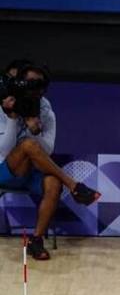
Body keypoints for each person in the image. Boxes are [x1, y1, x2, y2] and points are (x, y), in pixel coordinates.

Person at [0, 60, 100, 261]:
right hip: (4, 169)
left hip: (32, 172)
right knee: (27, 145)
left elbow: (47, 150)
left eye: (37, 83)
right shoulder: (5, 104)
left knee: (53, 183)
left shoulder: (46, 112)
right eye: (28, 81)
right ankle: (75, 186)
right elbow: (4, 150)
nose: (32, 87)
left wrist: (34, 131)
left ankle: (36, 241)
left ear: (43, 89)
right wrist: (12, 118)